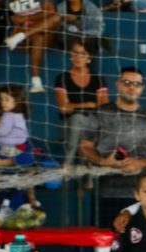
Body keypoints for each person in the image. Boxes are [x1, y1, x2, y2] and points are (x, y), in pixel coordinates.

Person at [78, 66, 146, 227]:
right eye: (126, 82)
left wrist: (141, 163)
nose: (131, 87)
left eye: (136, 84)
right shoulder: (100, 113)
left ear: (142, 88)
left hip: (144, 196)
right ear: (118, 84)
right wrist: (103, 161)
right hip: (107, 194)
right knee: (105, 247)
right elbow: (84, 147)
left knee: (142, 248)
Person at [53, 39, 108, 167]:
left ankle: (69, 161)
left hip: (92, 123)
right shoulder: (62, 78)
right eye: (75, 53)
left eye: (82, 53)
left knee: (81, 121)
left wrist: (75, 107)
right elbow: (63, 108)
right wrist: (88, 105)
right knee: (77, 119)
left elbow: (104, 107)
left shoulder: (98, 78)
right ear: (71, 54)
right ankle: (81, 167)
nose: (78, 57)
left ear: (89, 57)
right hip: (68, 123)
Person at [4, 0, 60, 94]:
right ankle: (36, 82)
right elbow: (15, 19)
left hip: (45, 36)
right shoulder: (10, 2)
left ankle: (20, 36)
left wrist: (26, 17)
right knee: (38, 36)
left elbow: (51, 14)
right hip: (25, 41)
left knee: (55, 18)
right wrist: (40, 15)